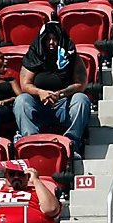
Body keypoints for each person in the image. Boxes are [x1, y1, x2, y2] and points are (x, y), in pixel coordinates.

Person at [15, 17, 93, 145]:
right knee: (21, 101)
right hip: (40, 104)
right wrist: (41, 93)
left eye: (55, 39)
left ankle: (72, 143)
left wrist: (61, 93)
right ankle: (31, 141)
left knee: (81, 99)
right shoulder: (34, 56)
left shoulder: (73, 57)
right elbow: (25, 84)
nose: (52, 43)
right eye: (48, 39)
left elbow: (81, 84)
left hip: (64, 104)